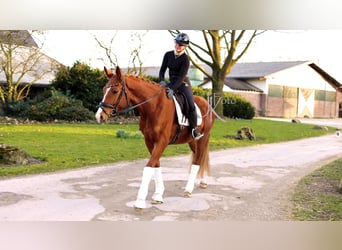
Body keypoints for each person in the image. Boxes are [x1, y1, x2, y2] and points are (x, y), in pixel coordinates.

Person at [159, 33, 204, 140]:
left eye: (181, 45)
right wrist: (161, 81)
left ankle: (194, 130)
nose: (178, 46)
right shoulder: (168, 55)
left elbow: (180, 77)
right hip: (170, 83)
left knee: (191, 105)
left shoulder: (185, 59)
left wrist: (172, 89)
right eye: (177, 43)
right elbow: (162, 70)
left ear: (185, 47)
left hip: (183, 84)